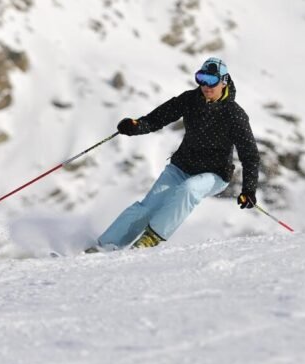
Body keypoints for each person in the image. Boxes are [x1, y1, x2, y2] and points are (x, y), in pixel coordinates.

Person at [89, 57, 260, 251]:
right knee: (148, 207)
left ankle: (151, 237)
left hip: (215, 174)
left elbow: (250, 155)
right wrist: (135, 126)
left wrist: (249, 189)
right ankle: (106, 246)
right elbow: (157, 118)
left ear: (224, 81)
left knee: (189, 189)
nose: (205, 85)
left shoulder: (234, 114)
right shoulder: (190, 99)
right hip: (182, 166)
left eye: (211, 80)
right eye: (201, 78)